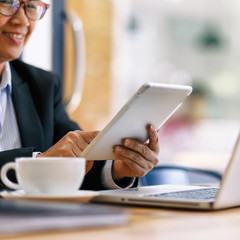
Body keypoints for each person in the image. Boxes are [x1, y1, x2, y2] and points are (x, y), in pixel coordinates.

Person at [0, 0, 159, 190]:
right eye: (7, 3)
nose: (23, 21)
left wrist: (117, 168)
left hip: (36, 217)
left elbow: (77, 159)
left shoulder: (43, 86)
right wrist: (38, 162)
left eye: (32, 7)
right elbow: (50, 160)